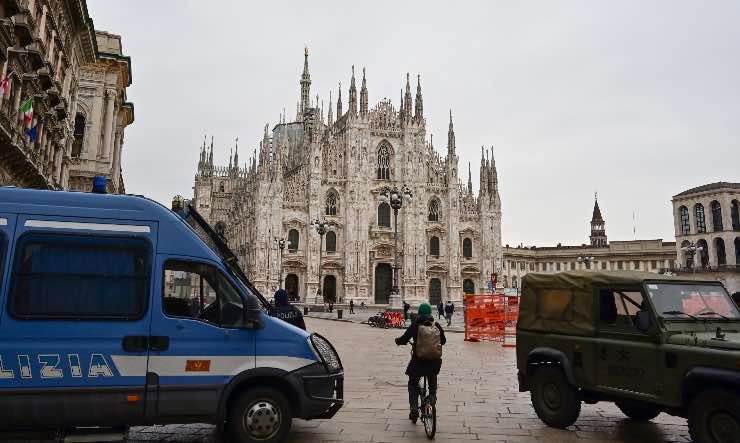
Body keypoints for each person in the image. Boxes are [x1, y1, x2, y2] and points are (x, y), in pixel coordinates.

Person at [395, 303, 446, 423]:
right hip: (434, 362)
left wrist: (398, 341)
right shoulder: (436, 325)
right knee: (432, 381)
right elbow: (443, 341)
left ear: (420, 313)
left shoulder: (415, 325)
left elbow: (404, 339)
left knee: (413, 383)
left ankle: (414, 408)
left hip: (418, 362)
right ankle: (432, 398)